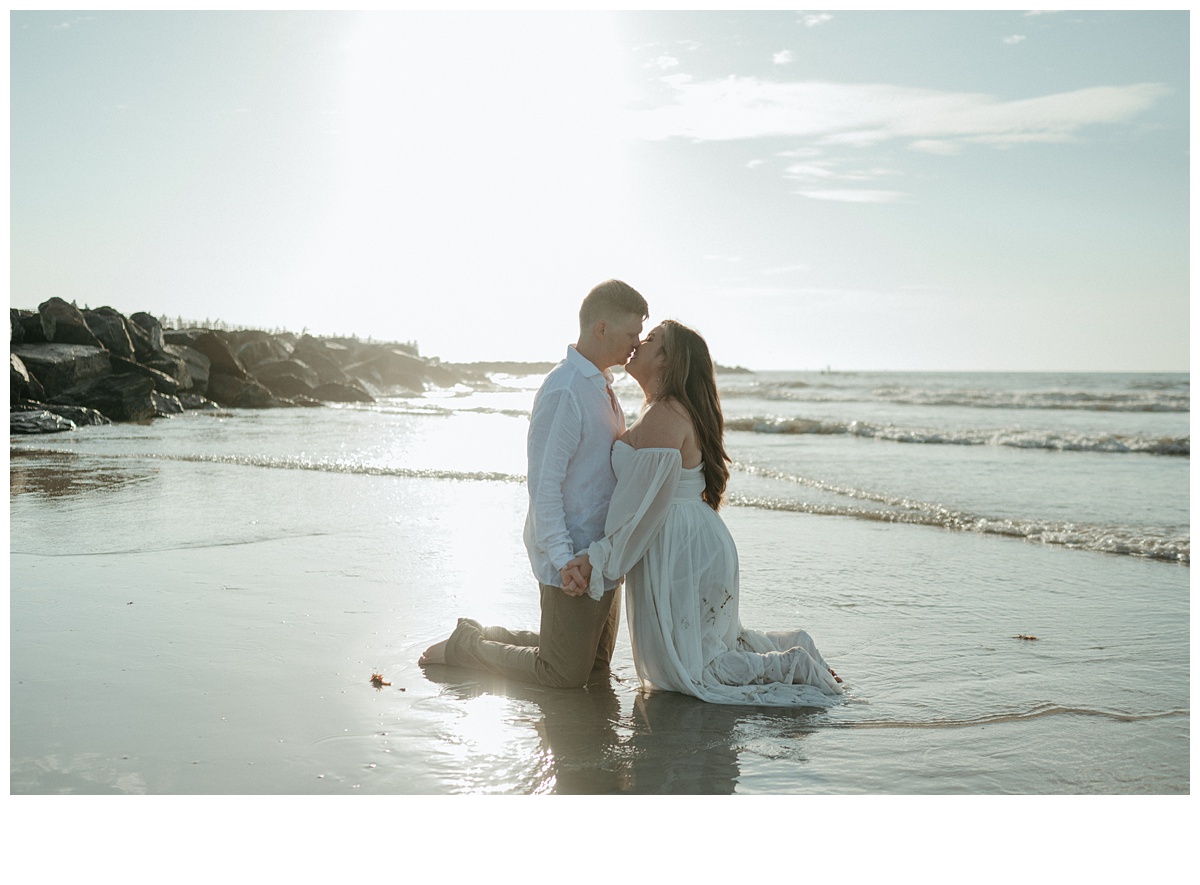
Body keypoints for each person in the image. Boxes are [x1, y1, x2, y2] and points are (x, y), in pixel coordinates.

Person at [564, 320, 844, 705]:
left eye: (649, 340)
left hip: (680, 545)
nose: (637, 345)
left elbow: (641, 510)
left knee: (695, 669)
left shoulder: (664, 415)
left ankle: (794, 665)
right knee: (708, 648)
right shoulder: (668, 410)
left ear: (666, 360)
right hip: (693, 538)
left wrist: (597, 559)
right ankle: (797, 650)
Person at [419, 279, 648, 687]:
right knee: (562, 674)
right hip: (572, 555)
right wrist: (562, 560)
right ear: (602, 329)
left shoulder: (601, 388)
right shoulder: (565, 391)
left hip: (599, 556)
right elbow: (544, 485)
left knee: (593, 669)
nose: (638, 342)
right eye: (632, 333)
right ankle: (466, 645)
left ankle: (483, 634)